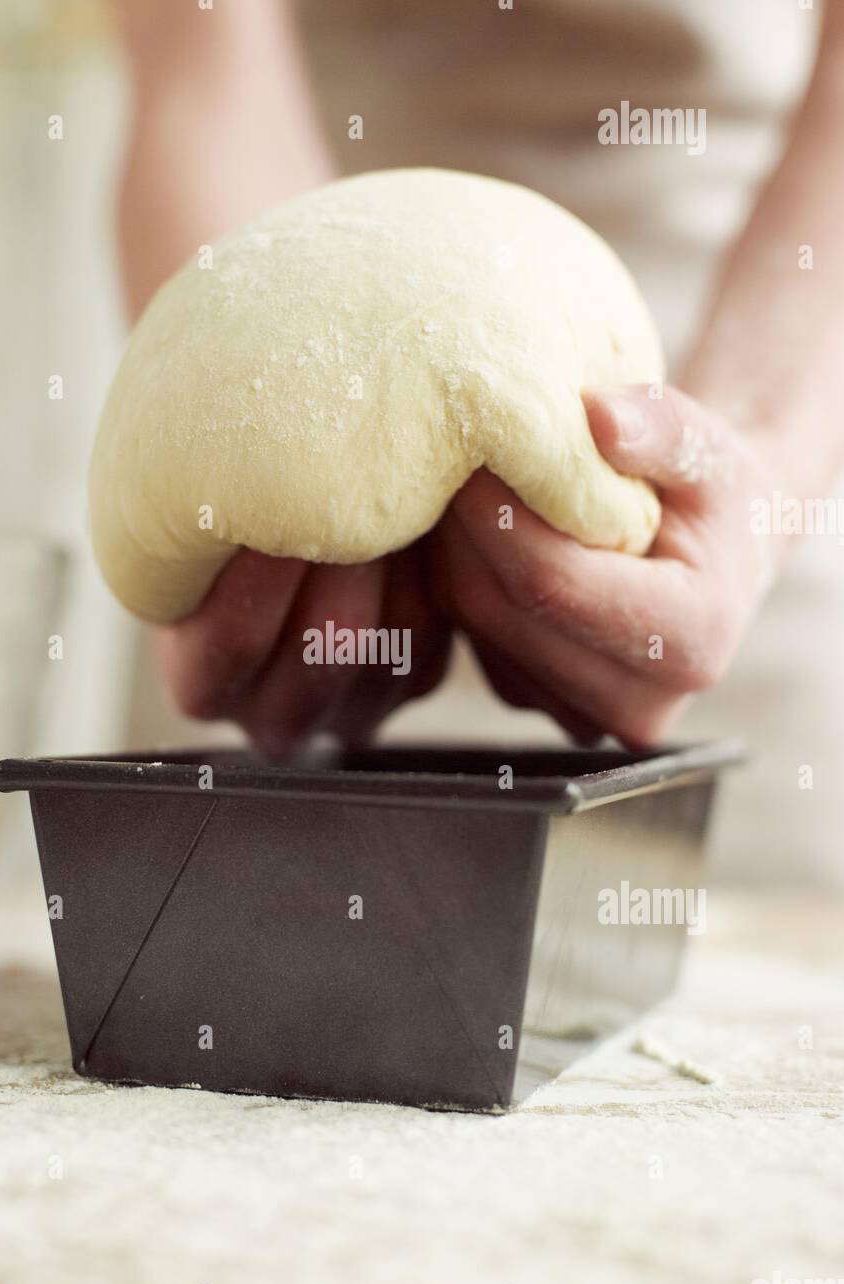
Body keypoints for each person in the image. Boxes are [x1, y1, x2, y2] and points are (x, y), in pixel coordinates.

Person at [110, 0, 843, 888]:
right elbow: (203, 68)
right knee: (242, 975)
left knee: (731, 991)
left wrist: (760, 455)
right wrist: (248, 421)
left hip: (730, 422)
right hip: (289, 301)